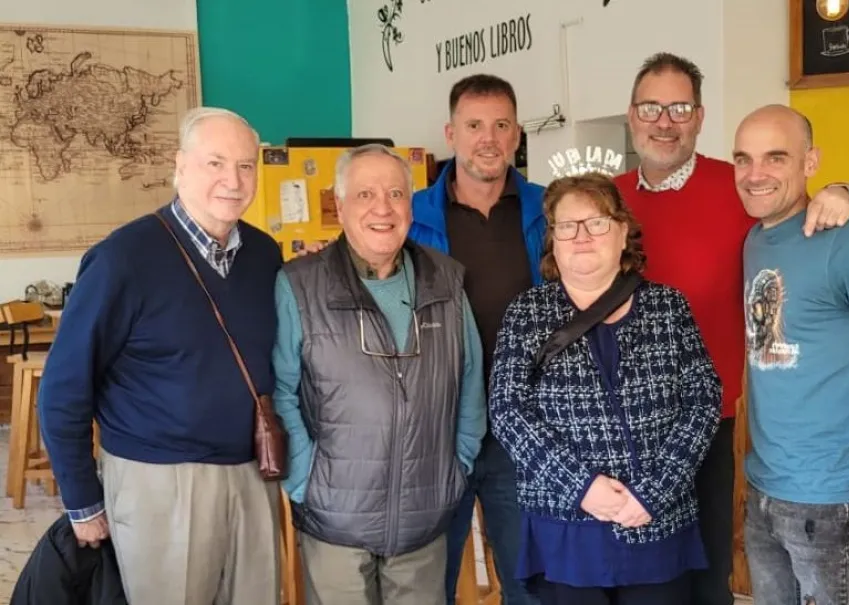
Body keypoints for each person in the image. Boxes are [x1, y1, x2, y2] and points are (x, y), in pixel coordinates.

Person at [614, 52, 849, 605]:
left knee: (704, 577)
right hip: (621, 426)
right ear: (632, 116)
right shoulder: (608, 200)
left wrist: (847, 192)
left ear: (700, 117)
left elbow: (802, 201)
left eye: (679, 107)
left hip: (710, 421)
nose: (664, 120)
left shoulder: (738, 188)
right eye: (651, 107)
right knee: (633, 577)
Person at [37, 107, 284, 605]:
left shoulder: (265, 254)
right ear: (180, 166)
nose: (232, 180)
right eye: (215, 163)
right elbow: (64, 388)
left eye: (245, 165)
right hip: (160, 483)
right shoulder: (122, 259)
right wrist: (82, 500)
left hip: (252, 475)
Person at [488, 173, 723, 605]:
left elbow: (703, 402)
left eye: (596, 223)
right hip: (566, 523)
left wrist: (655, 490)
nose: (581, 237)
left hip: (654, 519)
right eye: (567, 226)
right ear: (553, 241)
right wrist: (581, 486)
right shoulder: (527, 314)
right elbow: (507, 410)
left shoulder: (668, 307)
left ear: (621, 233)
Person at [272, 143, 487, 605]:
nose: (382, 208)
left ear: (411, 205)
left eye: (395, 193)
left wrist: (458, 464)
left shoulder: (445, 282)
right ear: (340, 204)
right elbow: (281, 392)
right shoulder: (299, 285)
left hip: (424, 516)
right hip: (334, 517)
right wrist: (306, 479)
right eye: (366, 194)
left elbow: (469, 379)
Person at [734, 104, 849, 604]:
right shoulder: (755, 239)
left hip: (836, 502)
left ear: (810, 162)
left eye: (776, 158)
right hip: (764, 493)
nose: (756, 174)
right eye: (743, 159)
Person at [408, 74, 544, 605]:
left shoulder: (549, 209)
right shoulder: (410, 216)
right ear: (451, 133)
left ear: (516, 135)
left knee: (529, 582)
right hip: (439, 430)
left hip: (525, 431)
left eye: (501, 124)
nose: (488, 138)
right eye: (474, 125)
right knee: (429, 582)